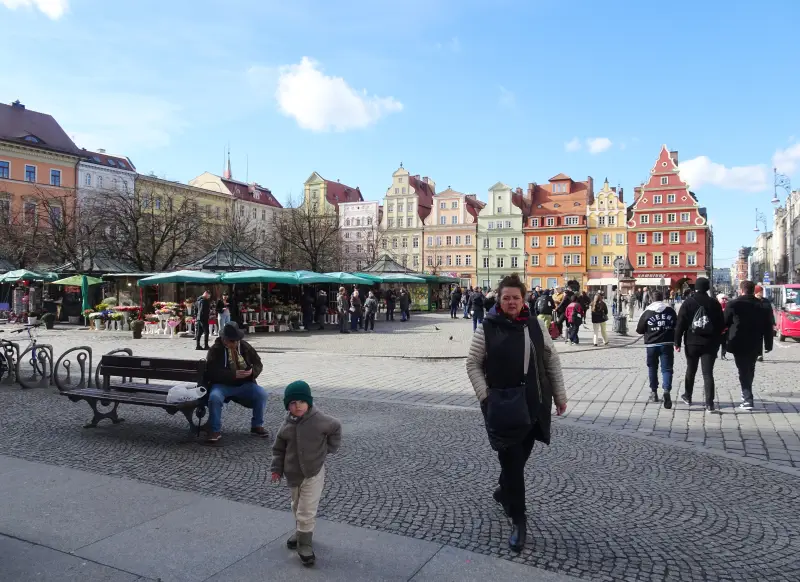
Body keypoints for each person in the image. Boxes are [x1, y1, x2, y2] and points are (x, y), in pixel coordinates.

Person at [465, 274, 567, 553]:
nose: (511, 302)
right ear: (499, 299)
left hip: (534, 403)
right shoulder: (487, 328)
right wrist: (485, 396)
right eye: (506, 298)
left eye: (516, 298)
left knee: (518, 460)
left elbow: (551, 359)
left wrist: (560, 396)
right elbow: (472, 363)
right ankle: (519, 520)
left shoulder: (534, 325)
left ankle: (503, 490)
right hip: (502, 406)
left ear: (524, 300)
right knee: (512, 462)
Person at [271, 380, 342, 566]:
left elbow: (336, 427)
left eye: (302, 401)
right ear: (287, 406)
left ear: (308, 402)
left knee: (306, 509)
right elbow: (278, 450)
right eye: (293, 403)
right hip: (293, 474)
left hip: (313, 472)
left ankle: (305, 544)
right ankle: (301, 532)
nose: (298, 406)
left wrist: (329, 448)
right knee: (296, 505)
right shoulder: (286, 425)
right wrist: (276, 469)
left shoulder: (320, 420)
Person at [205, 323, 269, 443]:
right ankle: (214, 430)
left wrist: (252, 372)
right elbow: (211, 372)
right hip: (222, 385)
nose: (233, 343)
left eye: (235, 341)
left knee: (262, 394)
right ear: (224, 339)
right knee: (214, 397)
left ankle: (257, 425)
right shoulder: (216, 349)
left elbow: (258, 363)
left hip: (244, 384)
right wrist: (233, 375)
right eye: (230, 340)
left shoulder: (245, 346)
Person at [674, 277, 724, 412]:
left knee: (691, 370)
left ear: (695, 287)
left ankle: (688, 396)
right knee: (708, 373)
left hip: (692, 342)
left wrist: (677, 341)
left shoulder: (688, 302)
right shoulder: (714, 303)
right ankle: (709, 403)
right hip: (710, 343)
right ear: (707, 288)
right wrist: (717, 339)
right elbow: (721, 324)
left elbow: (680, 324)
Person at [725, 281, 774, 411]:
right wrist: (768, 344)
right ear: (753, 290)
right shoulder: (762, 305)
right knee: (750, 368)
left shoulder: (733, 304)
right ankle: (746, 392)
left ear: (741, 290)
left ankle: (747, 399)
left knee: (743, 370)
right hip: (755, 342)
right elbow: (768, 326)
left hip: (738, 341)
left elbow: (725, 322)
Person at [636, 291, 678, 408]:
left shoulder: (647, 312)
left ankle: (654, 392)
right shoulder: (670, 311)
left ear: (651, 299)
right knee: (667, 369)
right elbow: (677, 325)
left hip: (652, 344)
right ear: (663, 298)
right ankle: (666, 390)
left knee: (652, 368)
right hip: (667, 343)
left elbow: (639, 329)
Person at [754, 285, 775, 362]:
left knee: (768, 336)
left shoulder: (766, 301)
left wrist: (773, 321)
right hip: (756, 324)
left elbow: (770, 312)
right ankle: (759, 355)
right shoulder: (752, 301)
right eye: (760, 292)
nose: (762, 293)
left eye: (762, 292)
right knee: (758, 340)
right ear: (756, 292)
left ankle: (768, 348)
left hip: (767, 323)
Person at [717, 293, 729, 360]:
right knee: (717, 342)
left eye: (725, 299)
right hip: (718, 327)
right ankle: (715, 353)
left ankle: (723, 355)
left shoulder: (728, 306)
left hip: (726, 327)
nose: (724, 300)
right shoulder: (716, 306)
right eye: (723, 298)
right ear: (719, 299)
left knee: (725, 342)